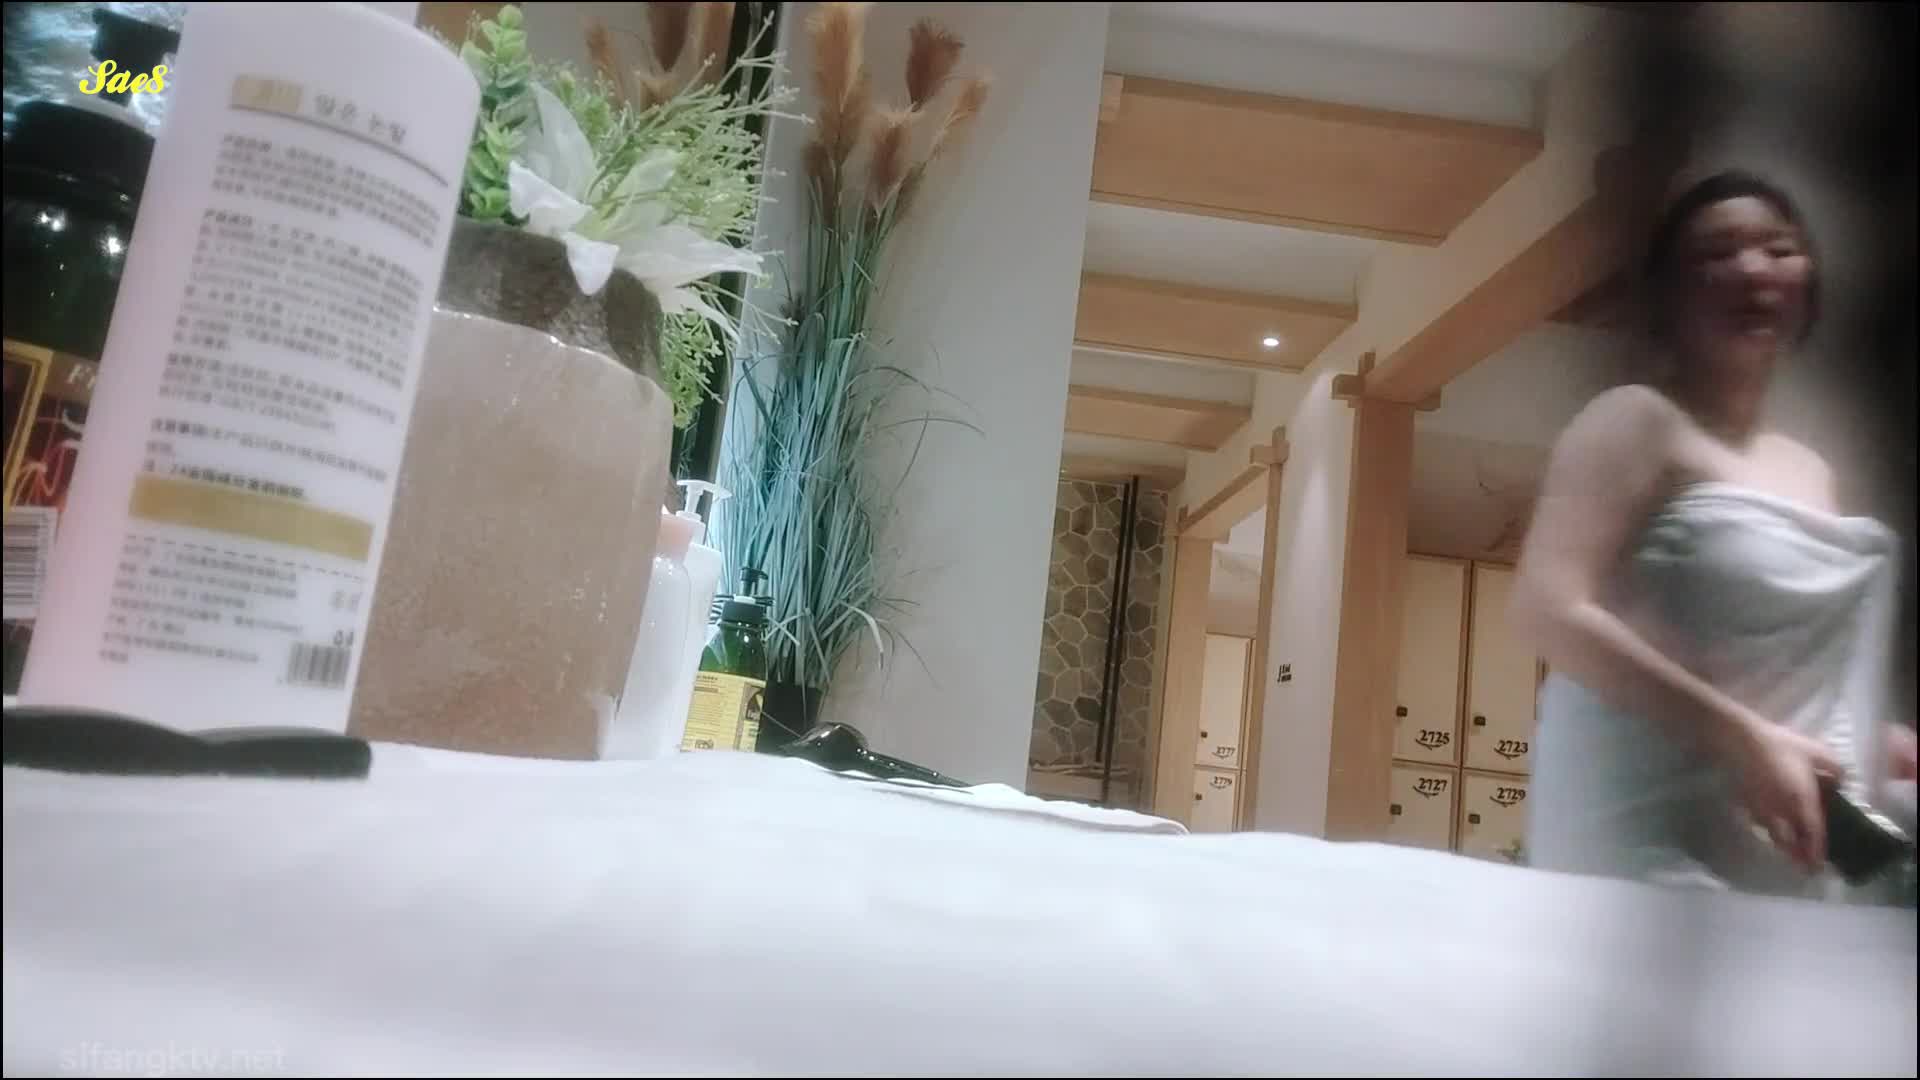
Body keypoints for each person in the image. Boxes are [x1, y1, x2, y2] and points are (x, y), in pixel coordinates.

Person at [1512, 169, 1918, 899]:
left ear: (1810, 286)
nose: (1752, 270)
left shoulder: (1810, 469)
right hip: (1642, 813)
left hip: (1784, 823)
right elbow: (1546, 610)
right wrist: (1744, 739)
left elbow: (1776, 659)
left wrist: (1873, 741)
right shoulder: (1633, 421)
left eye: (1778, 249)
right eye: (1716, 254)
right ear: (1668, 296)